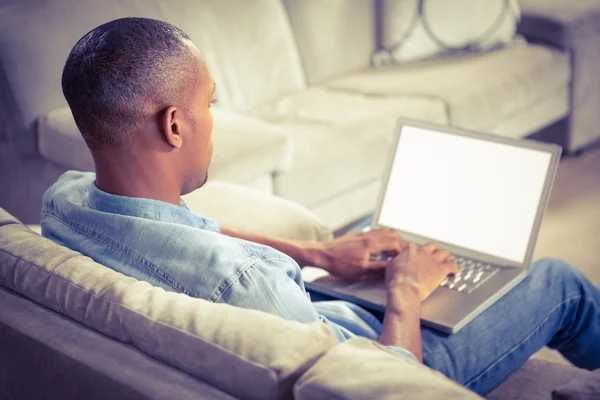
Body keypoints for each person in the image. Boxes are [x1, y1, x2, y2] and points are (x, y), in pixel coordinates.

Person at [41, 17, 600, 396]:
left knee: (369, 231)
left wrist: (318, 252)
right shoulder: (249, 283)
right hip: (385, 352)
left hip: (310, 309)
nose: (213, 119)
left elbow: (185, 235)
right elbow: (386, 383)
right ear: (174, 124)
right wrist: (405, 291)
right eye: (209, 103)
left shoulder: (64, 201)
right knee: (558, 281)